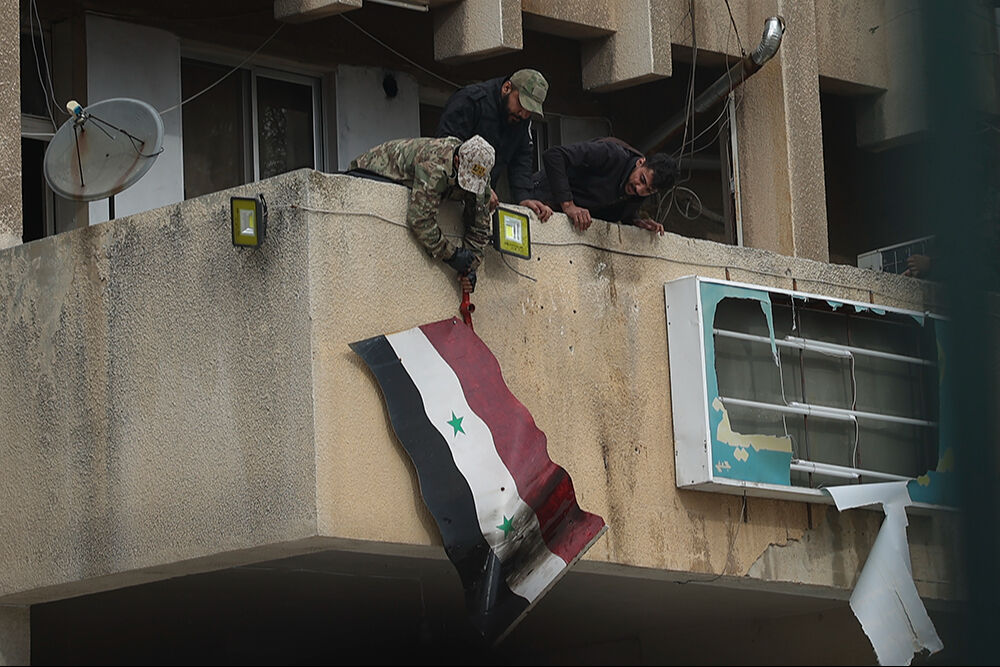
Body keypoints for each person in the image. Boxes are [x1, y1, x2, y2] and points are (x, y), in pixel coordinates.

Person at [349, 135, 495, 293]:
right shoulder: (434, 166)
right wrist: (452, 255)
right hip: (372, 170)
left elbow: (480, 228)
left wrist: (470, 267)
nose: (470, 187)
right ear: (458, 160)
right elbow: (419, 219)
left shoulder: (479, 172)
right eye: (467, 180)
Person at [436, 69, 549, 217]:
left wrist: (524, 197)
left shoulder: (522, 119)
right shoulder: (471, 99)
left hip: (481, 201)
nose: (524, 114)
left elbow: (521, 157)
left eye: (530, 110)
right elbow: (447, 148)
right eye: (522, 104)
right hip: (448, 195)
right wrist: (482, 185)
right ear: (507, 88)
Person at [526, 137, 679, 234]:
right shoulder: (611, 153)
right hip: (537, 200)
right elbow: (554, 155)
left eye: (648, 190)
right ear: (640, 162)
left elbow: (616, 209)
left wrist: (636, 221)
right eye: (642, 180)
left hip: (561, 226)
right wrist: (568, 205)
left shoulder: (637, 191)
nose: (639, 190)